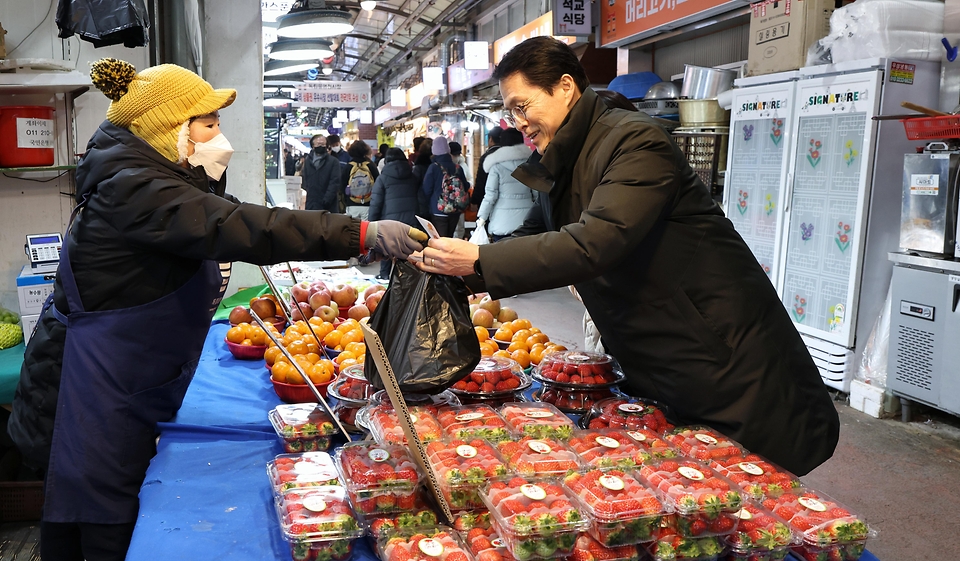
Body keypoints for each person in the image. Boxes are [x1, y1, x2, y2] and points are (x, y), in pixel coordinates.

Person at [6, 58, 427, 561]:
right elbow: (246, 227)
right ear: (169, 129)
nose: (219, 134)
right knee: (98, 513)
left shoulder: (149, 175)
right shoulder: (136, 188)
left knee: (115, 494)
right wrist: (361, 233)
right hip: (89, 387)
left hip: (126, 375)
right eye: (208, 123)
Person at [412, 36, 839, 476]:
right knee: (687, 482)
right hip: (660, 351)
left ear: (564, 87)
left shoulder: (635, 142)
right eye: (511, 112)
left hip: (720, 350)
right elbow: (542, 235)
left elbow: (594, 241)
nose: (518, 122)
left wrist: (480, 260)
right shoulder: (566, 157)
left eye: (523, 106)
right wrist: (460, 269)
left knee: (750, 485)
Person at [369, 148, 422, 279]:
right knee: (407, 251)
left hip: (389, 222)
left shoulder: (382, 178)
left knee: (386, 250)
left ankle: (385, 277)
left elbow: (376, 203)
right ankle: (406, 279)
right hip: (411, 220)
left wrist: (371, 223)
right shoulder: (413, 177)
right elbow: (421, 199)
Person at [475, 127, 535, 241]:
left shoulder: (496, 167)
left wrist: (482, 218)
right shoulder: (530, 165)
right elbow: (537, 194)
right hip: (526, 221)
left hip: (501, 221)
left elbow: (490, 196)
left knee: (501, 256)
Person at [422, 136, 470, 238]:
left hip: (438, 210)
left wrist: (430, 204)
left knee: (440, 240)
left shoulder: (433, 167)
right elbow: (465, 186)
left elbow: (427, 189)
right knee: (450, 237)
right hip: (455, 210)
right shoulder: (457, 167)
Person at [301, 134, 342, 212]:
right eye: (319, 144)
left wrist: (327, 199)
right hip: (311, 203)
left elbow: (335, 182)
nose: (321, 146)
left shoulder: (333, 161)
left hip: (328, 205)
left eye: (323, 144)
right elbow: (305, 178)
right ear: (313, 146)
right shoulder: (308, 161)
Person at [341, 139, 379, 221]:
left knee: (353, 229)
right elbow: (378, 183)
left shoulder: (348, 166)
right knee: (366, 229)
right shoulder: (370, 165)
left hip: (352, 203)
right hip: (368, 203)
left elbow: (342, 185)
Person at [471, 126, 502, 207]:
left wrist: (475, 200)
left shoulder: (486, 157)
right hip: (503, 200)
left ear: (490, 139)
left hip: (486, 199)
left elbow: (480, 181)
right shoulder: (509, 156)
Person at [449, 141, 472, 239]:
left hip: (453, 203)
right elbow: (469, 183)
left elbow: (469, 182)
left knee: (458, 228)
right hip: (458, 202)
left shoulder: (462, 165)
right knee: (458, 228)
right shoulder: (461, 165)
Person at [411, 137, 434, 218]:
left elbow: (414, 184)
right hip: (438, 204)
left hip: (422, 203)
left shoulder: (418, 166)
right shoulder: (438, 166)